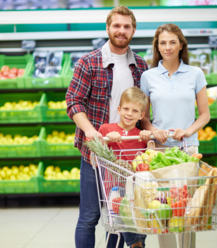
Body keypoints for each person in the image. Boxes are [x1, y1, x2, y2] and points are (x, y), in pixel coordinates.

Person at [65, 5, 148, 248]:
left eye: (127, 26)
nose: (121, 31)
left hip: (129, 154)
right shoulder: (89, 62)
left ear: (133, 30)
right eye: (117, 26)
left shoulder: (141, 66)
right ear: (108, 28)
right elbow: (73, 101)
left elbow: (144, 110)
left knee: (126, 215)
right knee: (90, 216)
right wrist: (91, 132)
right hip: (96, 151)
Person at [140, 23, 211, 248]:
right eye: (163, 43)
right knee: (163, 208)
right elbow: (143, 117)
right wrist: (153, 131)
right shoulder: (148, 76)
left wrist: (188, 130)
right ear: (157, 47)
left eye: (172, 42)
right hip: (160, 152)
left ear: (181, 45)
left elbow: (205, 115)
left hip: (188, 150)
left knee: (188, 209)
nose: (168, 47)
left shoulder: (195, 73)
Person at [98, 87, 152, 248]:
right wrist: (107, 140)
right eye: (126, 109)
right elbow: (97, 152)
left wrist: (149, 142)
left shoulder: (141, 134)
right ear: (119, 109)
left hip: (137, 188)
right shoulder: (106, 129)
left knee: (140, 211)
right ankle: (136, 244)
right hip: (115, 186)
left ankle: (138, 243)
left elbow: (150, 159)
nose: (129, 114)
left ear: (141, 115)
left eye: (135, 111)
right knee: (124, 206)